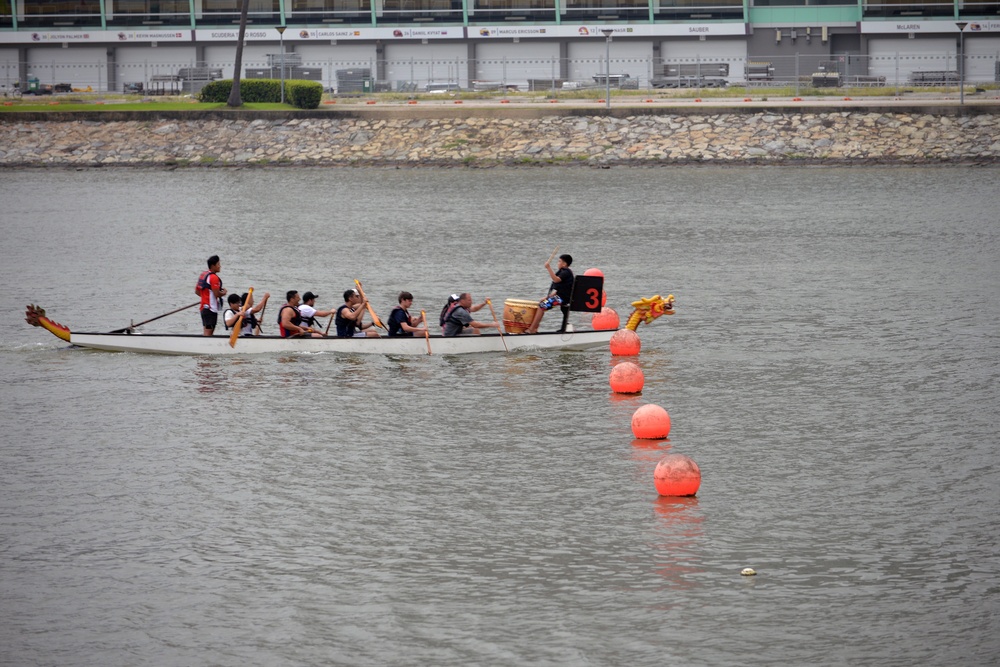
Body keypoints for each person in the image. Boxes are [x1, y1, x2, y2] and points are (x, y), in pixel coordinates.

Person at [525, 253, 574, 334]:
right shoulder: (563, 272)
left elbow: (556, 280)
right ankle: (535, 328)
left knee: (542, 306)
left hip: (563, 299)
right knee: (541, 303)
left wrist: (548, 268)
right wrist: (548, 297)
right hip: (560, 297)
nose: (558, 263)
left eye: (559, 261)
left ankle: (531, 329)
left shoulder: (566, 272)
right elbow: (560, 289)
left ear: (564, 264)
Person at [198, 255, 227, 336]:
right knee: (209, 332)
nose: (220, 266)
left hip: (203, 308)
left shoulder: (203, 274)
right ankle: (205, 347)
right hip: (210, 309)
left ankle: (204, 346)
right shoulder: (214, 277)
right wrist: (224, 293)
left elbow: (197, 291)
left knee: (206, 330)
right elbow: (217, 294)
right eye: (218, 264)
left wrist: (205, 296)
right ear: (213, 266)